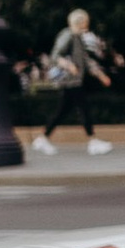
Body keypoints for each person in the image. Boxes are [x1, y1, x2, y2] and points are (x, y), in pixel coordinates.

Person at [32, 9, 114, 156]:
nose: (86, 23)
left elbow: (86, 61)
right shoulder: (68, 35)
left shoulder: (78, 37)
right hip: (70, 81)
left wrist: (101, 75)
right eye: (84, 20)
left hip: (74, 81)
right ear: (78, 21)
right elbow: (55, 55)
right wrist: (69, 66)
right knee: (84, 109)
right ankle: (93, 142)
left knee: (62, 112)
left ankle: (42, 139)